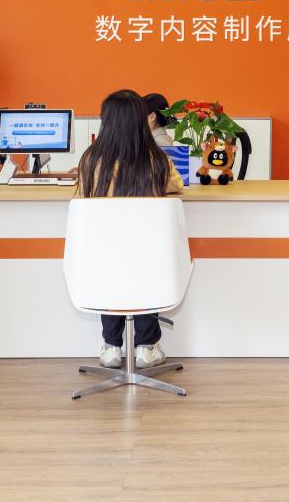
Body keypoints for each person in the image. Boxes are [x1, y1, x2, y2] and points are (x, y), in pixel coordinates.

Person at [76, 89, 184, 370]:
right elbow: (177, 185)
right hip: (147, 256)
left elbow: (82, 198)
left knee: (110, 268)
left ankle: (111, 346)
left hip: (103, 255)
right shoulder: (156, 159)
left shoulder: (91, 160)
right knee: (146, 267)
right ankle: (146, 346)